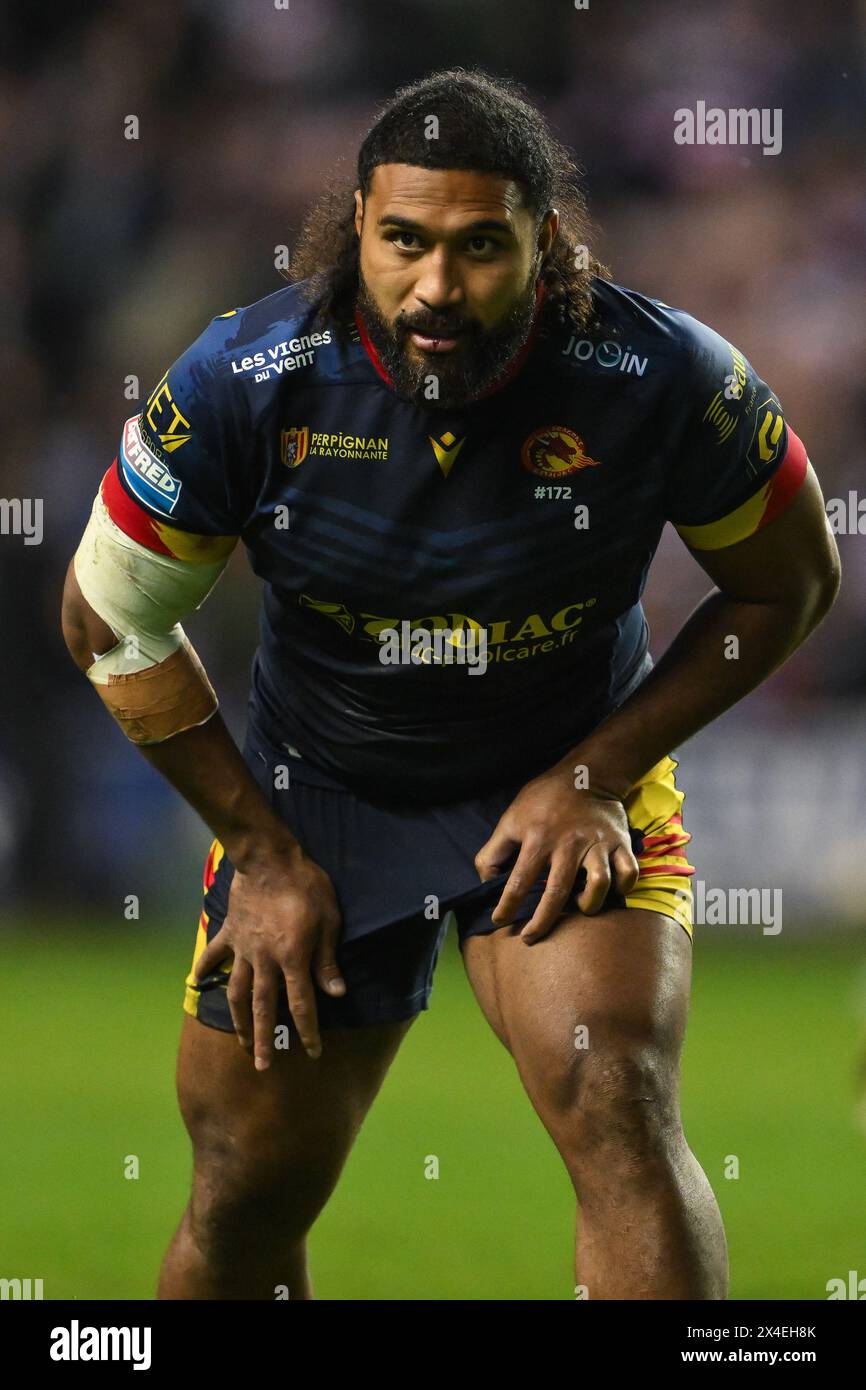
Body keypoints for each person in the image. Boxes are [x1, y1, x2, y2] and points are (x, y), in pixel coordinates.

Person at [61, 69, 840, 1300]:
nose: (436, 286)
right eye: (404, 242)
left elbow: (787, 584)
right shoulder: (242, 383)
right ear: (356, 227)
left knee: (616, 1101)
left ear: (546, 239)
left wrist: (598, 772)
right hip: (311, 797)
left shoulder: (663, 378)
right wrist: (258, 852)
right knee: (244, 1186)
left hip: (560, 777)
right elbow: (107, 624)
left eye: (481, 246)